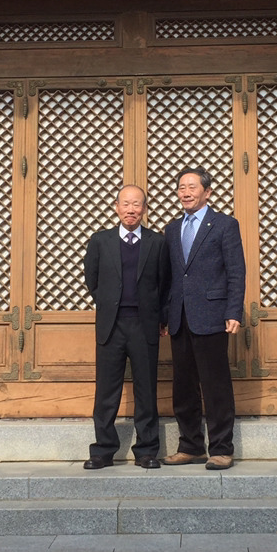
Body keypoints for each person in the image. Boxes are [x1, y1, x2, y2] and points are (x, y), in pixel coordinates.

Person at [163, 166, 246, 470]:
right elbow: (170, 276)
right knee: (183, 385)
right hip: (179, 316)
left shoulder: (224, 225)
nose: (186, 192)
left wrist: (233, 311)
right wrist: (165, 315)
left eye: (192, 187)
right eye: (181, 187)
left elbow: (236, 270)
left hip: (212, 315)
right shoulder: (172, 229)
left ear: (207, 192)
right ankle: (190, 446)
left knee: (215, 385)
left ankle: (222, 448)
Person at [83, 184, 169, 469]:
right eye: (125, 204)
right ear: (116, 207)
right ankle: (102, 450)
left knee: (146, 389)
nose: (131, 210)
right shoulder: (100, 240)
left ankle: (146, 450)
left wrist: (162, 317)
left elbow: (164, 282)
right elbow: (92, 279)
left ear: (144, 209)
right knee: (106, 391)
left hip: (144, 325)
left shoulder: (157, 242)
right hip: (112, 325)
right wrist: (109, 303)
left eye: (136, 204)